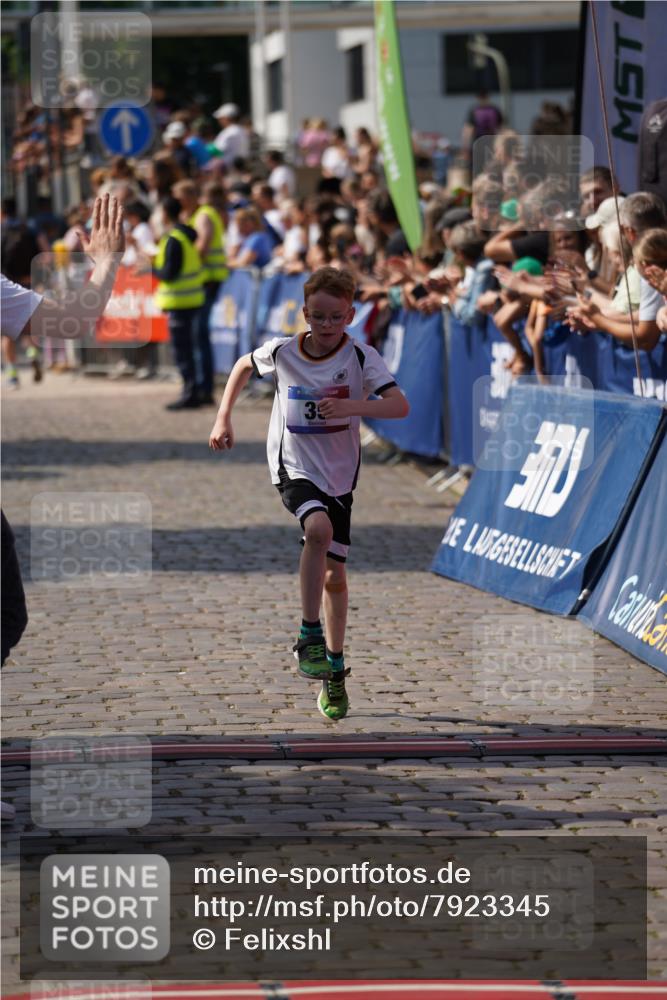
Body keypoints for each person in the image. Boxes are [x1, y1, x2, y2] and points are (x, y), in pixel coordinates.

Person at [208, 267, 409, 720]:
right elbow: (243, 365)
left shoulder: (361, 357)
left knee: (336, 578)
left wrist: (353, 406)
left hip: (340, 474)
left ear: (351, 316)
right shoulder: (282, 351)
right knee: (315, 529)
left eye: (335, 318)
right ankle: (308, 632)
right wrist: (224, 417)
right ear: (304, 313)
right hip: (293, 465)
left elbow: (399, 405)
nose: (325, 326)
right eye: (317, 316)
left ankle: (334, 672)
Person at [172, 179, 228, 405]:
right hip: (203, 281)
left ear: (188, 196)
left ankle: (203, 389)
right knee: (197, 335)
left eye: (178, 197)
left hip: (209, 281)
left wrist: (181, 260)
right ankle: (199, 387)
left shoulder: (203, 215)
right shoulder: (194, 216)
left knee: (198, 335)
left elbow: (202, 248)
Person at [152, 196, 204, 410]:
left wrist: (150, 269)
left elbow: (169, 274)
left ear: (165, 213)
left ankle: (189, 394)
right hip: (190, 300)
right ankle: (193, 392)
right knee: (189, 350)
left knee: (183, 352)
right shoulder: (185, 236)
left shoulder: (173, 239)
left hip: (180, 302)